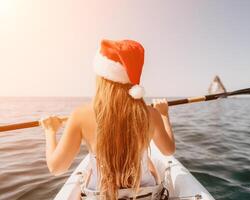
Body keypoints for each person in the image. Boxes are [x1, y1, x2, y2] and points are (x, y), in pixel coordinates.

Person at [40, 39, 175, 199]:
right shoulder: (151, 114)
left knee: (90, 171)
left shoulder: (80, 115)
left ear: (102, 77)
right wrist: (164, 115)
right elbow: (168, 150)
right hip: (144, 195)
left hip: (100, 195)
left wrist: (50, 131)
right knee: (150, 164)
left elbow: (56, 168)